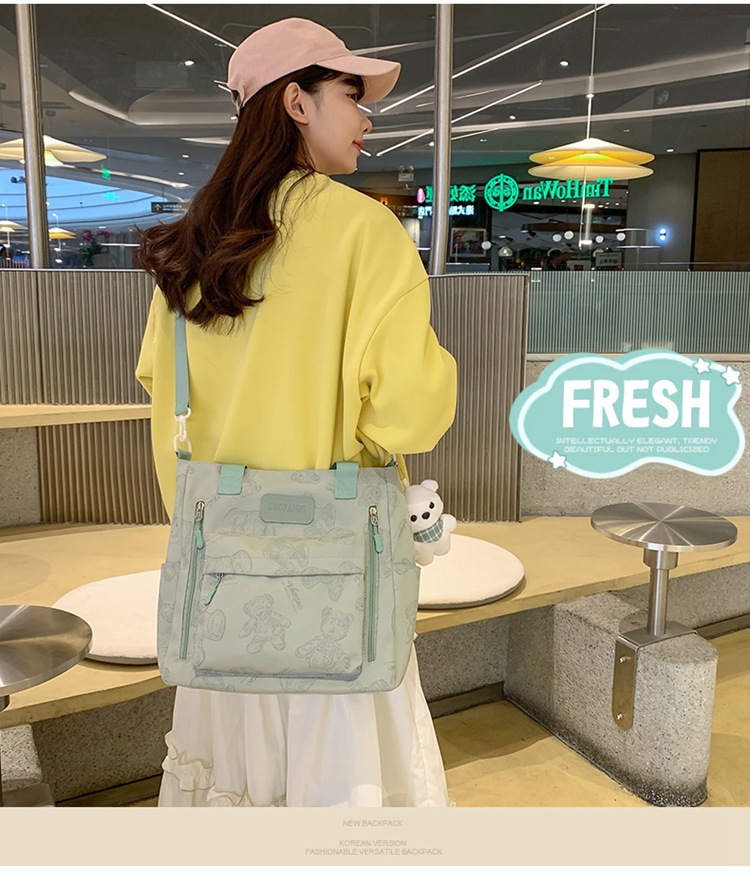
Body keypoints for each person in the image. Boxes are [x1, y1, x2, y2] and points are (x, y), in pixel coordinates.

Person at [133, 17, 457, 808]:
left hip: (223, 585)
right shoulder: (365, 232)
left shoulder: (192, 245)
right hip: (338, 586)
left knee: (231, 794)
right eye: (352, 94)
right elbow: (410, 416)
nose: (367, 116)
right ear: (297, 103)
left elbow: (162, 393)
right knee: (344, 800)